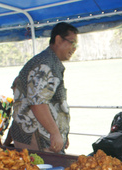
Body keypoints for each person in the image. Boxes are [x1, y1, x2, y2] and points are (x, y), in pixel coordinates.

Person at [9, 22, 78, 153]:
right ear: (58, 39)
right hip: (36, 136)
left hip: (43, 134)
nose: (74, 48)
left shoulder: (50, 62)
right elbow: (37, 103)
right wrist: (55, 133)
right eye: (72, 42)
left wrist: (62, 133)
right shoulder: (44, 63)